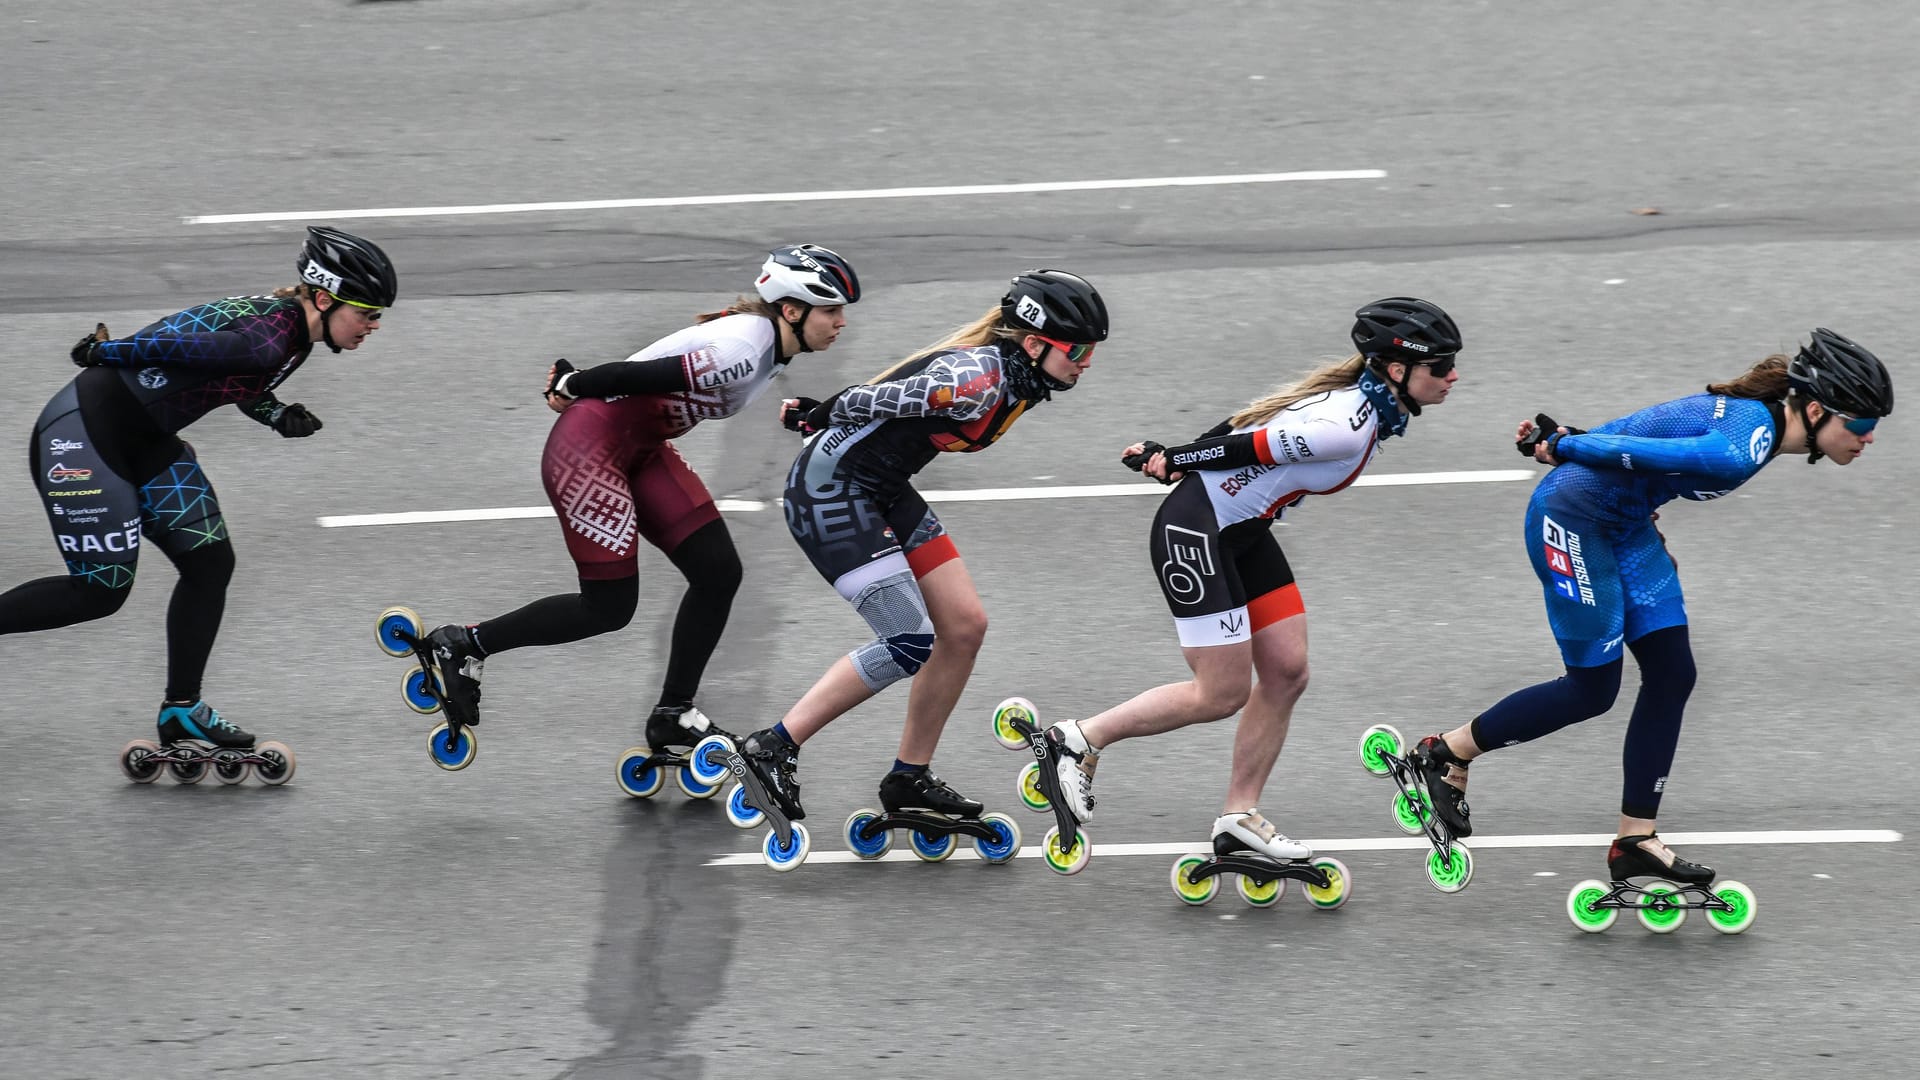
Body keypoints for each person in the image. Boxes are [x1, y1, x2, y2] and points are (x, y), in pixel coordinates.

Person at [1407, 328, 1891, 887]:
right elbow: (1651, 450)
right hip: (1572, 519)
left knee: (1671, 673)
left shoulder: (1758, 424)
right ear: (1814, 409)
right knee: (1592, 690)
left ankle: (1635, 838)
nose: (1869, 437)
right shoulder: (1747, 442)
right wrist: (1563, 445)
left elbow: (1642, 442)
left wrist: (1571, 438)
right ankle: (1448, 752)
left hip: (1623, 524)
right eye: (1860, 424)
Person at [1029, 297, 1461, 864]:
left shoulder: (1363, 407)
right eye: (1441, 366)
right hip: (1198, 530)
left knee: (1286, 671)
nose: (1453, 376)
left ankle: (1238, 817)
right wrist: (1175, 458)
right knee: (1221, 692)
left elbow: (1248, 423)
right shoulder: (1346, 428)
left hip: (1243, 531)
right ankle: (1077, 740)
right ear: (1397, 371)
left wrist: (1177, 456)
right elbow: (1246, 444)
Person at [412, 244, 859, 759]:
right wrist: (572, 383)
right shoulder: (743, 350)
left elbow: (650, 369)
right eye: (832, 310)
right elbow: (636, 377)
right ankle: (465, 644)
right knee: (608, 606)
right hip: (589, 451)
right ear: (791, 310)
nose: (841, 322)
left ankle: (674, 714)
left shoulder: (768, 344)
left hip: (639, 448)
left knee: (717, 572)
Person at [733, 269, 1109, 824]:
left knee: (963, 628)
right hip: (830, 493)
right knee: (909, 640)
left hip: (880, 487)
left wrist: (821, 412)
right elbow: (875, 396)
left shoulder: (1024, 378)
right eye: (1076, 349)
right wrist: (820, 414)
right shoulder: (975, 380)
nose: (1085, 361)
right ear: (1033, 343)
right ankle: (771, 747)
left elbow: (891, 397)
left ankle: (909, 776)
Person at [1, 225, 395, 754]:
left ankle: (182, 710)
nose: (372, 325)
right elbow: (188, 345)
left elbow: (235, 376)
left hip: (145, 440)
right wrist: (109, 351)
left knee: (210, 563)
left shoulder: (293, 332)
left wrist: (276, 414)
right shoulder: (270, 338)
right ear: (324, 299)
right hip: (83, 438)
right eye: (366, 312)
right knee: (100, 591)